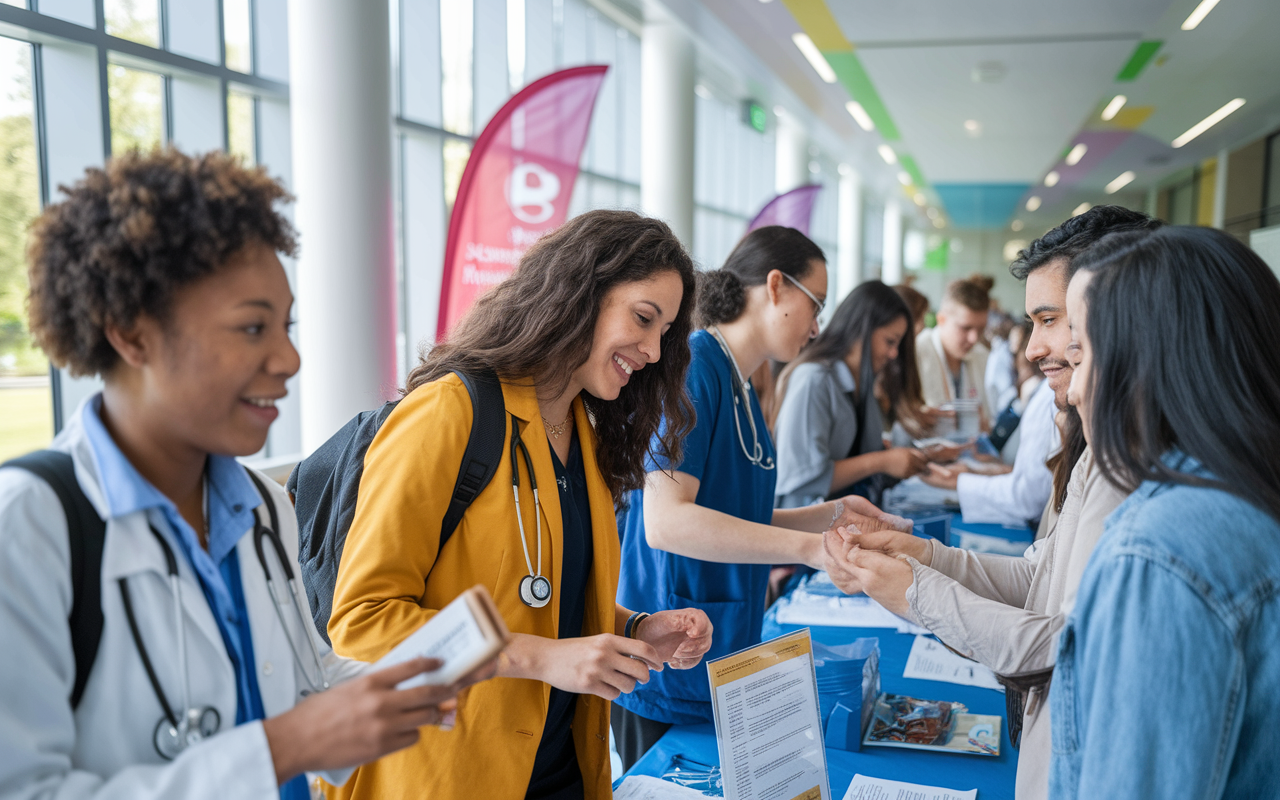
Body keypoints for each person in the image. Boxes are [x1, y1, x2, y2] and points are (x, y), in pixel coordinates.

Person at [0, 149, 483, 800]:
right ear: (132, 334)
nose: (288, 358)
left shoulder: (259, 504)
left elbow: (300, 682)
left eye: (285, 325)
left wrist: (395, 688)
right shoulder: (29, 526)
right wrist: (288, 746)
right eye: (253, 327)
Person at [324, 209, 714, 800]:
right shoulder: (449, 414)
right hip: (445, 776)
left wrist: (634, 628)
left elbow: (545, 601)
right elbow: (363, 623)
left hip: (560, 774)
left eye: (665, 333)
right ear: (581, 293)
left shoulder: (584, 433)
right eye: (643, 318)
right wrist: (538, 658)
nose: (655, 352)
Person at [819, 205, 1162, 800]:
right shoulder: (1102, 445)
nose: (1033, 349)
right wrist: (921, 556)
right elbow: (1041, 578)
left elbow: (1061, 647)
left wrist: (917, 589)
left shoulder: (1134, 462)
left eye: (1052, 320)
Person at [612, 226, 902, 769]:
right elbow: (667, 523)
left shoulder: (741, 382)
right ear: (775, 286)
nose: (818, 326)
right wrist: (810, 551)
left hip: (720, 648)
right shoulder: (697, 368)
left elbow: (734, 515)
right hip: (670, 654)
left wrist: (831, 517)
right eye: (815, 303)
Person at [1050, 226, 1280, 798]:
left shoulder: (1161, 552)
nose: (1074, 390)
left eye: (1081, 354)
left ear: (1145, 364)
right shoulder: (1250, 494)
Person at [773, 280, 927, 509]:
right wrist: (882, 462)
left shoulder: (861, 384)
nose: (894, 354)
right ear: (861, 330)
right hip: (803, 528)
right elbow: (802, 477)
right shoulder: (814, 380)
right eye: (890, 342)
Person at [915, 278, 991, 420]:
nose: (974, 338)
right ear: (941, 319)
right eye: (965, 328)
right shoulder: (916, 352)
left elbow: (987, 419)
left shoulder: (982, 356)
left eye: (980, 329)